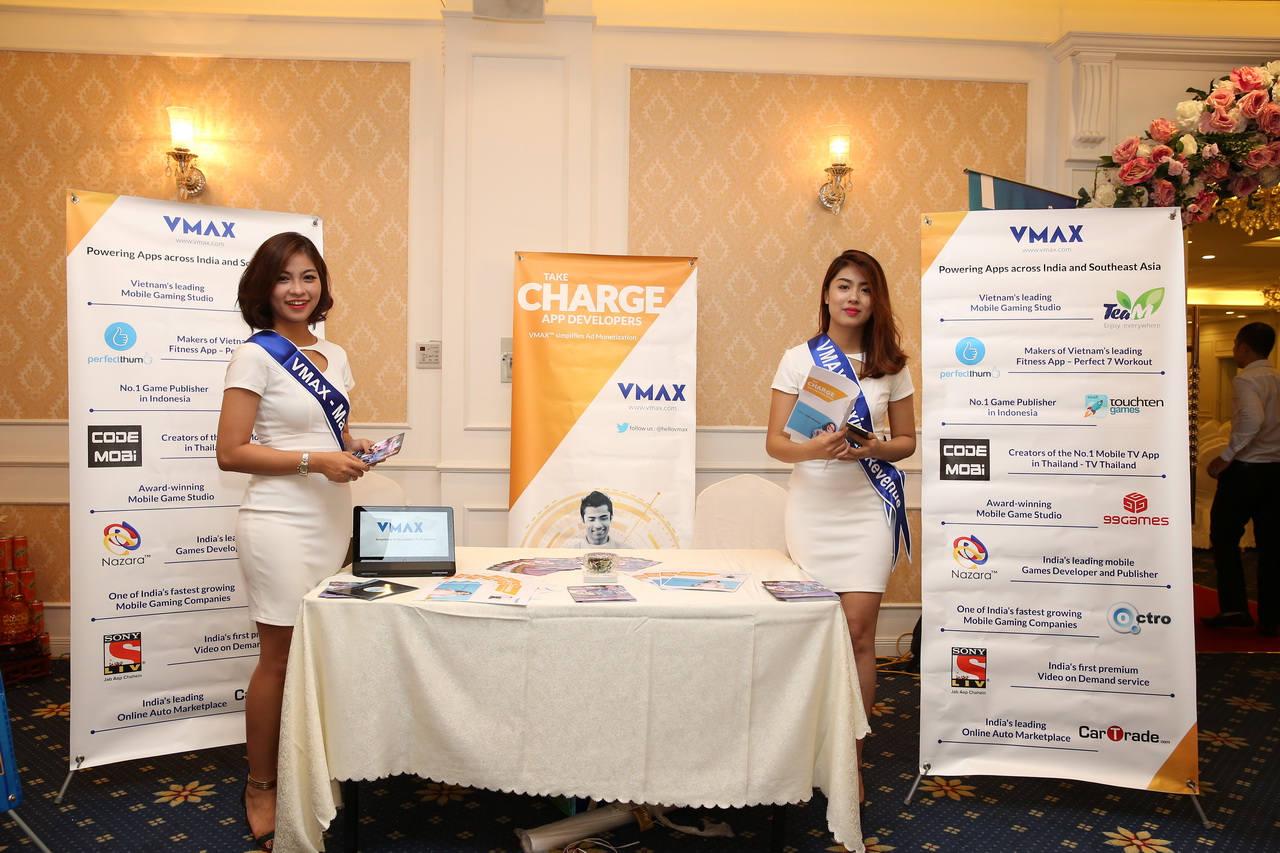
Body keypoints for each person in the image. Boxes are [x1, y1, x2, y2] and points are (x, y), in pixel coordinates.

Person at [216, 232, 375, 851]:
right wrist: (317, 461)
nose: (298, 289)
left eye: (308, 276)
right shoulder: (253, 356)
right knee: (279, 658)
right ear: (265, 287)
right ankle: (261, 785)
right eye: (284, 278)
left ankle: (310, 766)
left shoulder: (335, 354)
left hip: (331, 518)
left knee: (321, 651)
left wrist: (352, 447)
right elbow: (232, 452)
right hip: (278, 523)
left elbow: (329, 431)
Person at [766, 249, 916, 799]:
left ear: (877, 300)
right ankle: (804, 748)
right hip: (813, 507)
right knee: (812, 632)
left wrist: (874, 447)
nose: (854, 297)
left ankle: (851, 762)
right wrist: (815, 448)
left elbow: (906, 442)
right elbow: (775, 443)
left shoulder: (891, 365)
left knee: (858, 634)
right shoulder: (797, 359)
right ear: (827, 295)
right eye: (845, 286)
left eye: (866, 289)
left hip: (866, 509)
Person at [1203, 321, 1280, 637]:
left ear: (1244, 346)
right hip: (1276, 472)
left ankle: (1235, 608)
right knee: (1272, 546)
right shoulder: (1277, 378)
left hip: (1247, 471)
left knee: (1224, 537)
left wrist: (1226, 456)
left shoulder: (1246, 379)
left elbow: (1252, 419)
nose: (1235, 351)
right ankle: (1272, 617)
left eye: (1235, 345)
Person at [565, 490, 632, 549]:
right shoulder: (568, 552)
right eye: (591, 519)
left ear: (611, 518)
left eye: (603, 518)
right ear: (583, 521)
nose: (598, 525)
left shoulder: (628, 552)